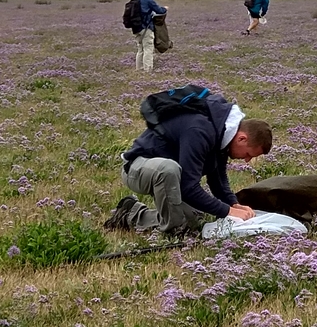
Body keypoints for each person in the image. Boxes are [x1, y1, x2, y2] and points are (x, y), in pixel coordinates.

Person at [104, 90, 274, 235]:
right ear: (241, 138)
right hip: (137, 168)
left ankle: (131, 213)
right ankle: (172, 231)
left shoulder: (223, 133)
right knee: (168, 171)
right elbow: (188, 186)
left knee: (194, 218)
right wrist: (229, 212)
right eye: (248, 154)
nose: (246, 160)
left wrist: (234, 204)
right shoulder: (200, 130)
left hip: (168, 175)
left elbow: (218, 180)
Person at [133, 0, 167, 72]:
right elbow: (159, 10)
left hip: (136, 27)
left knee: (140, 49)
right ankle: (148, 71)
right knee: (148, 49)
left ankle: (139, 69)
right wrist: (165, 8)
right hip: (146, 27)